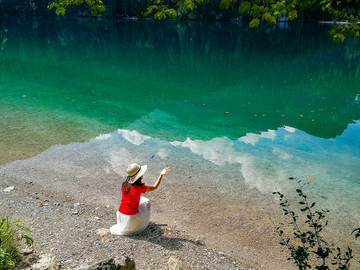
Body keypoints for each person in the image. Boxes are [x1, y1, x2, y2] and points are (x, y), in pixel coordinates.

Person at [110, 163, 170, 235]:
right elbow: (154, 187)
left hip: (120, 214)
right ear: (140, 176)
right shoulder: (139, 188)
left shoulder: (125, 184)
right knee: (147, 201)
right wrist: (161, 175)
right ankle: (140, 223)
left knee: (138, 199)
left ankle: (127, 225)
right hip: (130, 218)